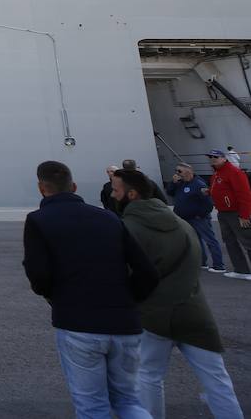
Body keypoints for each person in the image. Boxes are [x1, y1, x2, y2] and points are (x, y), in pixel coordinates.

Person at [22, 160, 159, 419]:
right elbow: (147, 272)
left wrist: (56, 298)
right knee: (129, 402)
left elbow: (38, 275)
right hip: (124, 322)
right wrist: (128, 301)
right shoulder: (109, 218)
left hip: (78, 322)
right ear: (73, 186)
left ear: (41, 188)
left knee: (92, 406)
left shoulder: (39, 220)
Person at [110, 168, 243, 419]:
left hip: (153, 316)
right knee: (217, 379)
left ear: (132, 194)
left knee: (149, 376)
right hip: (194, 311)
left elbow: (122, 276)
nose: (113, 196)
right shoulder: (181, 224)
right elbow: (194, 264)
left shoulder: (126, 230)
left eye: (116, 190)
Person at [169, 162, 224, 274]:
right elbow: (170, 192)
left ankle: (218, 265)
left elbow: (208, 202)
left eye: (179, 171)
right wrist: (173, 183)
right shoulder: (180, 183)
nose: (177, 173)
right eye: (176, 171)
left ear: (188, 171)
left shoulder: (198, 184)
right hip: (186, 218)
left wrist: (201, 214)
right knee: (196, 241)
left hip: (198, 218)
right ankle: (202, 262)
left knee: (210, 240)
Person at [207, 148, 251, 280]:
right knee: (230, 241)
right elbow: (221, 190)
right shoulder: (216, 174)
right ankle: (241, 270)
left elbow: (244, 194)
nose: (213, 159)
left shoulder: (234, 172)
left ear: (224, 158)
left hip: (235, 212)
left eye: (216, 157)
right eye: (210, 157)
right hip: (223, 213)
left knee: (247, 241)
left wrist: (244, 215)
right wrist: (209, 192)